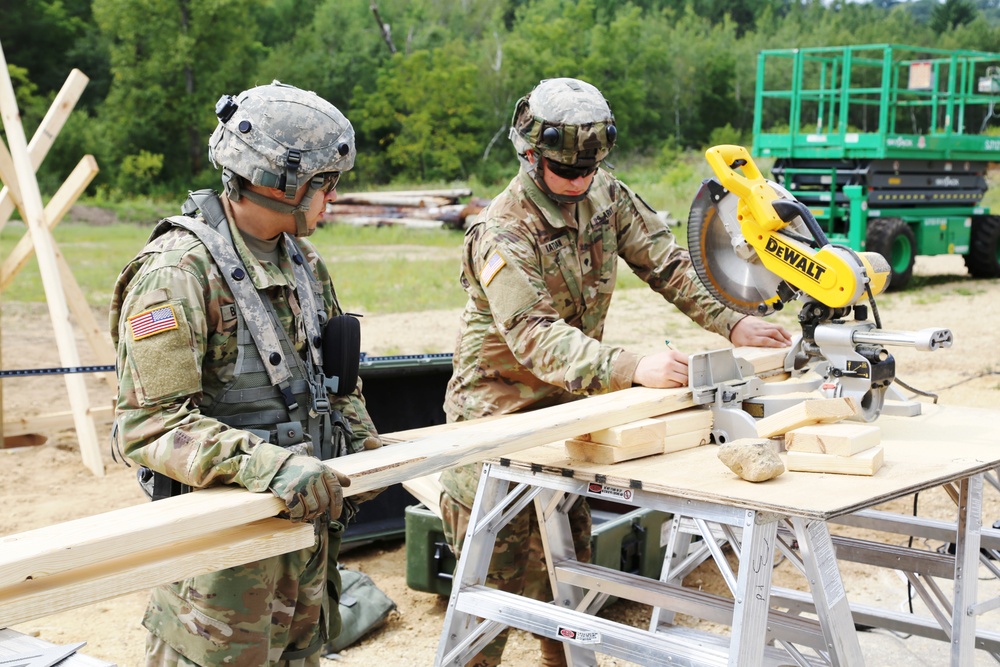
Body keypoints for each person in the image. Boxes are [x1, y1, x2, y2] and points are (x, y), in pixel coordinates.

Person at [438, 77, 792, 667]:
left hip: (573, 414)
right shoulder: (503, 228)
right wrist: (632, 367)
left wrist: (732, 323)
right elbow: (533, 333)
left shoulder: (603, 193)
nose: (579, 182)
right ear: (530, 153)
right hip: (495, 420)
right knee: (488, 607)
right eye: (566, 172)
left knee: (566, 599)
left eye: (588, 169)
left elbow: (668, 264)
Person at [109, 81, 382, 667]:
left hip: (304, 561)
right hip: (219, 586)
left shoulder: (304, 263)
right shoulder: (177, 274)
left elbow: (336, 383)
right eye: (325, 183)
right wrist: (270, 464)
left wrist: (363, 447)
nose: (332, 198)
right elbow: (147, 425)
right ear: (280, 183)